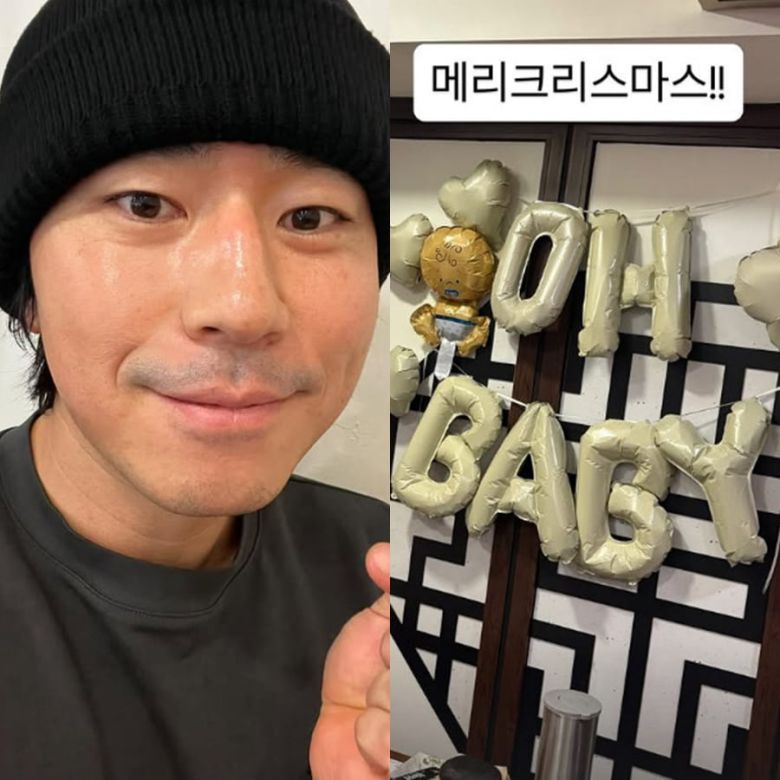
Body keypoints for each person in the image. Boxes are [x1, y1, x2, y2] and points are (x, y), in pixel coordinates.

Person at [0, 0, 389, 778]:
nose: (243, 307)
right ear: (27, 291)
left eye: (310, 217)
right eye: (145, 204)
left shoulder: (385, 585)